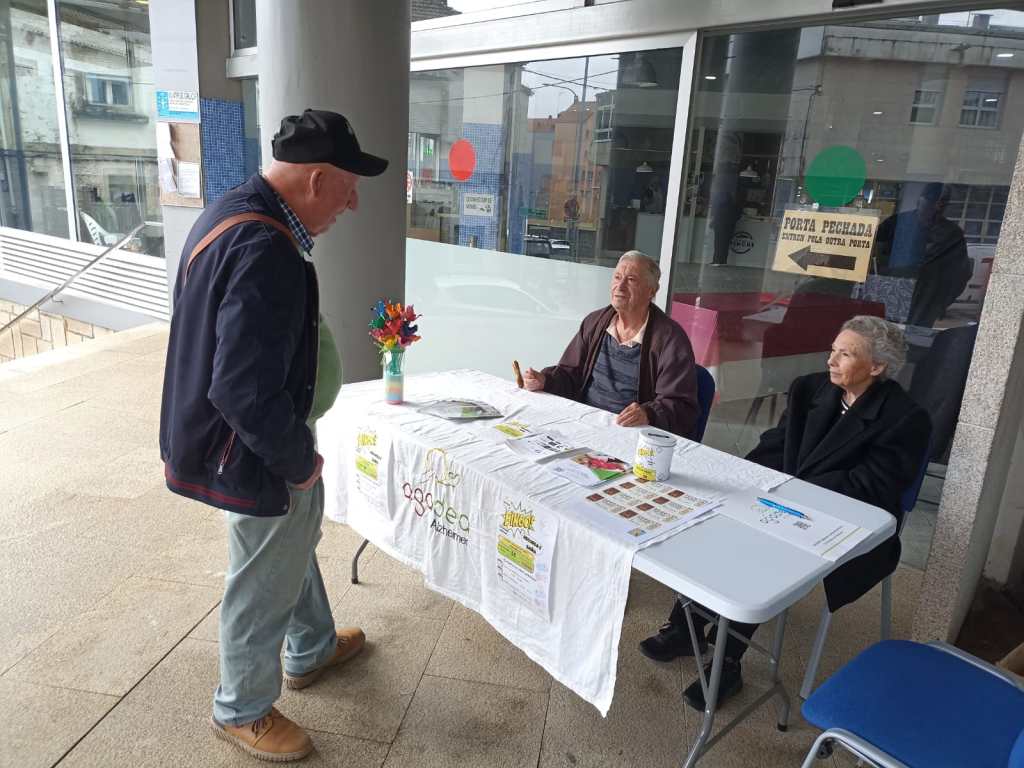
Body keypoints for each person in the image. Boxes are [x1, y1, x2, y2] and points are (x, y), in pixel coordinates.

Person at [159, 109, 388, 762]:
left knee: (290, 543)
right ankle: (241, 709)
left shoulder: (235, 209)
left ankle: (310, 646)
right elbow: (241, 390)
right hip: (254, 449)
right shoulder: (266, 248)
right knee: (261, 576)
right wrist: (296, 461)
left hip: (245, 439)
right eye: (349, 187)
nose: (352, 203)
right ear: (316, 179)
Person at [639, 316, 931, 711]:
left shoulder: (905, 418)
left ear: (877, 367)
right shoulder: (809, 389)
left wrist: (790, 493)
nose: (831, 360)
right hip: (786, 503)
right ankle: (686, 626)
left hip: (847, 524)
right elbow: (773, 448)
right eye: (833, 350)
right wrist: (746, 487)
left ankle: (727, 662)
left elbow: (870, 487)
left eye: (845, 354)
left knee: (759, 551)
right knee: (718, 520)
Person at [521, 250, 699, 439]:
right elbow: (570, 375)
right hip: (585, 425)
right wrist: (545, 380)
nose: (620, 286)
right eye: (617, 277)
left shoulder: (670, 339)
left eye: (631, 280)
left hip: (630, 435)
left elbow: (682, 406)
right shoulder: (595, 322)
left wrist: (649, 413)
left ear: (651, 291)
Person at [874, 182, 970, 327]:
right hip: (890, 295)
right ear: (920, 201)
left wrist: (938, 305)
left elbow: (960, 275)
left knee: (914, 339)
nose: (937, 208)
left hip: (924, 303)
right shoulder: (897, 223)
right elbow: (872, 255)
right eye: (932, 202)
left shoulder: (951, 233)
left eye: (943, 204)